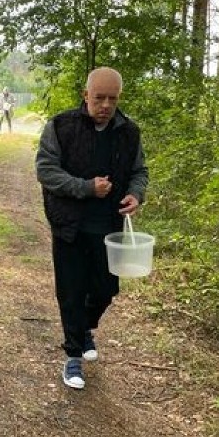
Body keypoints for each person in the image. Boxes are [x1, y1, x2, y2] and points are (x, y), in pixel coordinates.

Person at [35, 67, 148, 390]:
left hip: (109, 227)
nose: (106, 105)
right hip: (68, 223)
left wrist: (135, 194)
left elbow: (140, 171)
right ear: (86, 96)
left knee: (105, 289)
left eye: (112, 99)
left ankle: (83, 329)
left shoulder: (129, 132)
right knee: (71, 290)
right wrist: (85, 187)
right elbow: (46, 170)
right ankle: (73, 355)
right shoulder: (61, 126)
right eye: (99, 98)